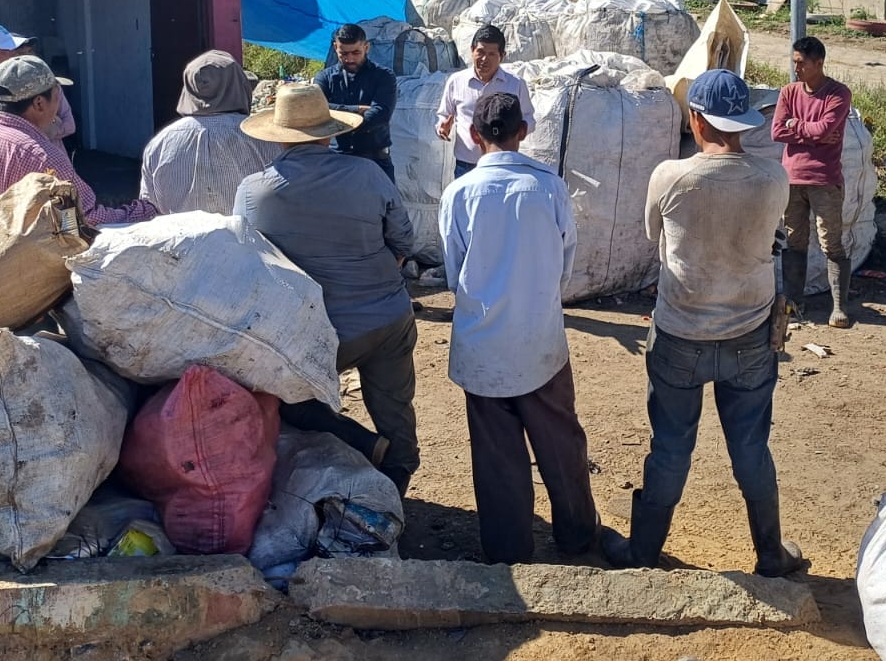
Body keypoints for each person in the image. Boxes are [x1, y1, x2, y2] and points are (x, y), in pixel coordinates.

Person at [604, 70, 804, 577]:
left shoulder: (671, 176)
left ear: (696, 120)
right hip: (750, 336)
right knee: (751, 448)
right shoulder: (773, 177)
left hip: (680, 335)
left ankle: (643, 553)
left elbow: (655, 235)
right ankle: (770, 554)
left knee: (671, 447)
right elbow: (767, 239)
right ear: (743, 123)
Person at [234, 83, 419, 495]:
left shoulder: (252, 191)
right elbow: (405, 241)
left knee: (283, 398)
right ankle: (398, 470)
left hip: (311, 333)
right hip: (387, 317)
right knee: (394, 403)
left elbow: (248, 261)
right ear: (330, 131)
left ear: (278, 136)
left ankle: (361, 442)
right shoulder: (368, 174)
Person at [438, 90, 598, 564]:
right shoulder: (549, 186)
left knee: (496, 455)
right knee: (561, 442)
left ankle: (508, 553)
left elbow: (453, 270)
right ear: (523, 132)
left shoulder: (459, 194)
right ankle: (577, 536)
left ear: (473, 135)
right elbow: (566, 262)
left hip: (482, 346)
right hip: (540, 341)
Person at [0, 56, 155, 225]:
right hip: (25, 277)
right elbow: (85, 220)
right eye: (57, 95)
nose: (59, 103)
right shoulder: (42, 156)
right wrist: (146, 211)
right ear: (39, 103)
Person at [773, 35, 855, 328]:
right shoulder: (788, 92)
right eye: (794, 62)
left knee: (831, 243)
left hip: (824, 179)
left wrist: (796, 126)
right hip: (792, 177)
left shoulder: (838, 93)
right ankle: (794, 303)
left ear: (818, 63)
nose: (797, 68)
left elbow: (826, 127)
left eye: (801, 63)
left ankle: (839, 308)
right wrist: (808, 131)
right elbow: (777, 131)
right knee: (794, 241)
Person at [140, 51, 280, 215]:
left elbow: (149, 209)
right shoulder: (263, 137)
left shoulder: (159, 143)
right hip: (249, 239)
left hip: (181, 239)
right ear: (238, 83)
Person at [436, 25, 535, 180]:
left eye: (491, 54)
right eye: (480, 52)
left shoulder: (515, 84)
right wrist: (442, 128)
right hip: (466, 164)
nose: (484, 59)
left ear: (502, 56)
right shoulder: (456, 81)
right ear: (472, 50)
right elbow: (444, 115)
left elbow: (529, 119)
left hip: (503, 164)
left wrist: (512, 133)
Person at [0, 23, 74, 141]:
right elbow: (28, 130)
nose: (13, 55)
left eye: (13, 50)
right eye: (5, 51)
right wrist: (54, 120)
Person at [315, 24, 399, 180]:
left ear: (366, 47)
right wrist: (356, 110)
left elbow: (380, 115)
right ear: (335, 48)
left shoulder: (384, 76)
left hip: (375, 161)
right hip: (336, 161)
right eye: (344, 54)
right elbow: (317, 110)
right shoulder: (324, 78)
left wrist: (335, 117)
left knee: (382, 204)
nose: (350, 59)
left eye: (356, 52)